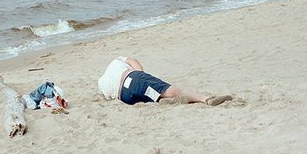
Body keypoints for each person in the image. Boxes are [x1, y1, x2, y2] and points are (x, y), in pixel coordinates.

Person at [98, 56, 233, 106]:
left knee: (155, 95)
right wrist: (141, 75)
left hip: (126, 97)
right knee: (170, 90)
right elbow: (133, 61)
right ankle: (206, 99)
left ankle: (165, 99)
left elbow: (109, 98)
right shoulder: (117, 60)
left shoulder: (101, 84)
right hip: (133, 79)